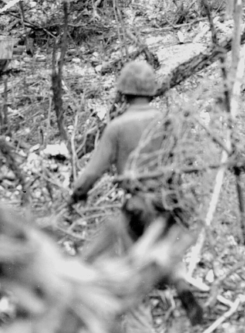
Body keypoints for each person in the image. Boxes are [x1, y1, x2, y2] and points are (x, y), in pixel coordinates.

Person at [70, 59, 202, 331]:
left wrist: (77, 195)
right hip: (170, 204)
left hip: (138, 208)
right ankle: (179, 280)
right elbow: (188, 159)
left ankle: (143, 326)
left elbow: (92, 173)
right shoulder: (168, 121)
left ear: (124, 91)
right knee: (166, 253)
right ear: (151, 89)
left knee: (135, 275)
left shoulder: (117, 127)